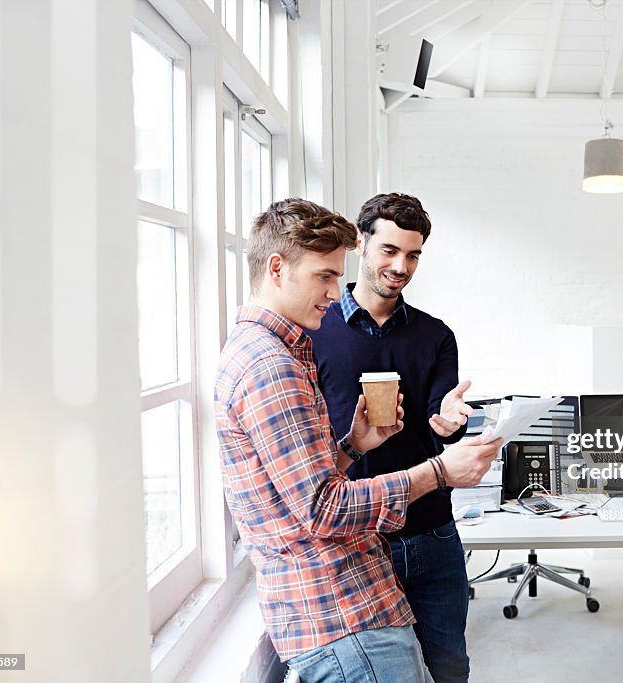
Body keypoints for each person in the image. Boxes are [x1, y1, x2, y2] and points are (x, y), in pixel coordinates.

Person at [214, 198, 502, 683]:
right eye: (324, 276)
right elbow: (321, 507)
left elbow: (298, 475)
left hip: (403, 547)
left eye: (413, 256)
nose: (329, 292)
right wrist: (442, 471)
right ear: (278, 268)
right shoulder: (278, 361)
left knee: (450, 666)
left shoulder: (281, 347)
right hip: (337, 597)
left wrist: (353, 445)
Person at [306, 193, 476, 683]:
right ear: (360, 244)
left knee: (449, 666)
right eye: (389, 250)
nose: (401, 266)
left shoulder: (435, 335)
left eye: (413, 255)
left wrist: (451, 420)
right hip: (354, 538)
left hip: (432, 531)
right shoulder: (316, 332)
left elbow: (444, 420)